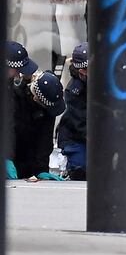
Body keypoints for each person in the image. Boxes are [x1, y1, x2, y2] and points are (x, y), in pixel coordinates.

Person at [9, 70, 66, 180]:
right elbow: (8, 130)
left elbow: (45, 136)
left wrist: (41, 169)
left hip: (30, 159)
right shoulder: (15, 98)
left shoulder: (49, 99)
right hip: (13, 153)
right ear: (36, 99)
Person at [55, 42, 89, 180]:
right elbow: (81, 124)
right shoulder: (74, 91)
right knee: (80, 169)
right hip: (76, 136)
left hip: (101, 131)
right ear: (83, 72)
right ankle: (69, 168)